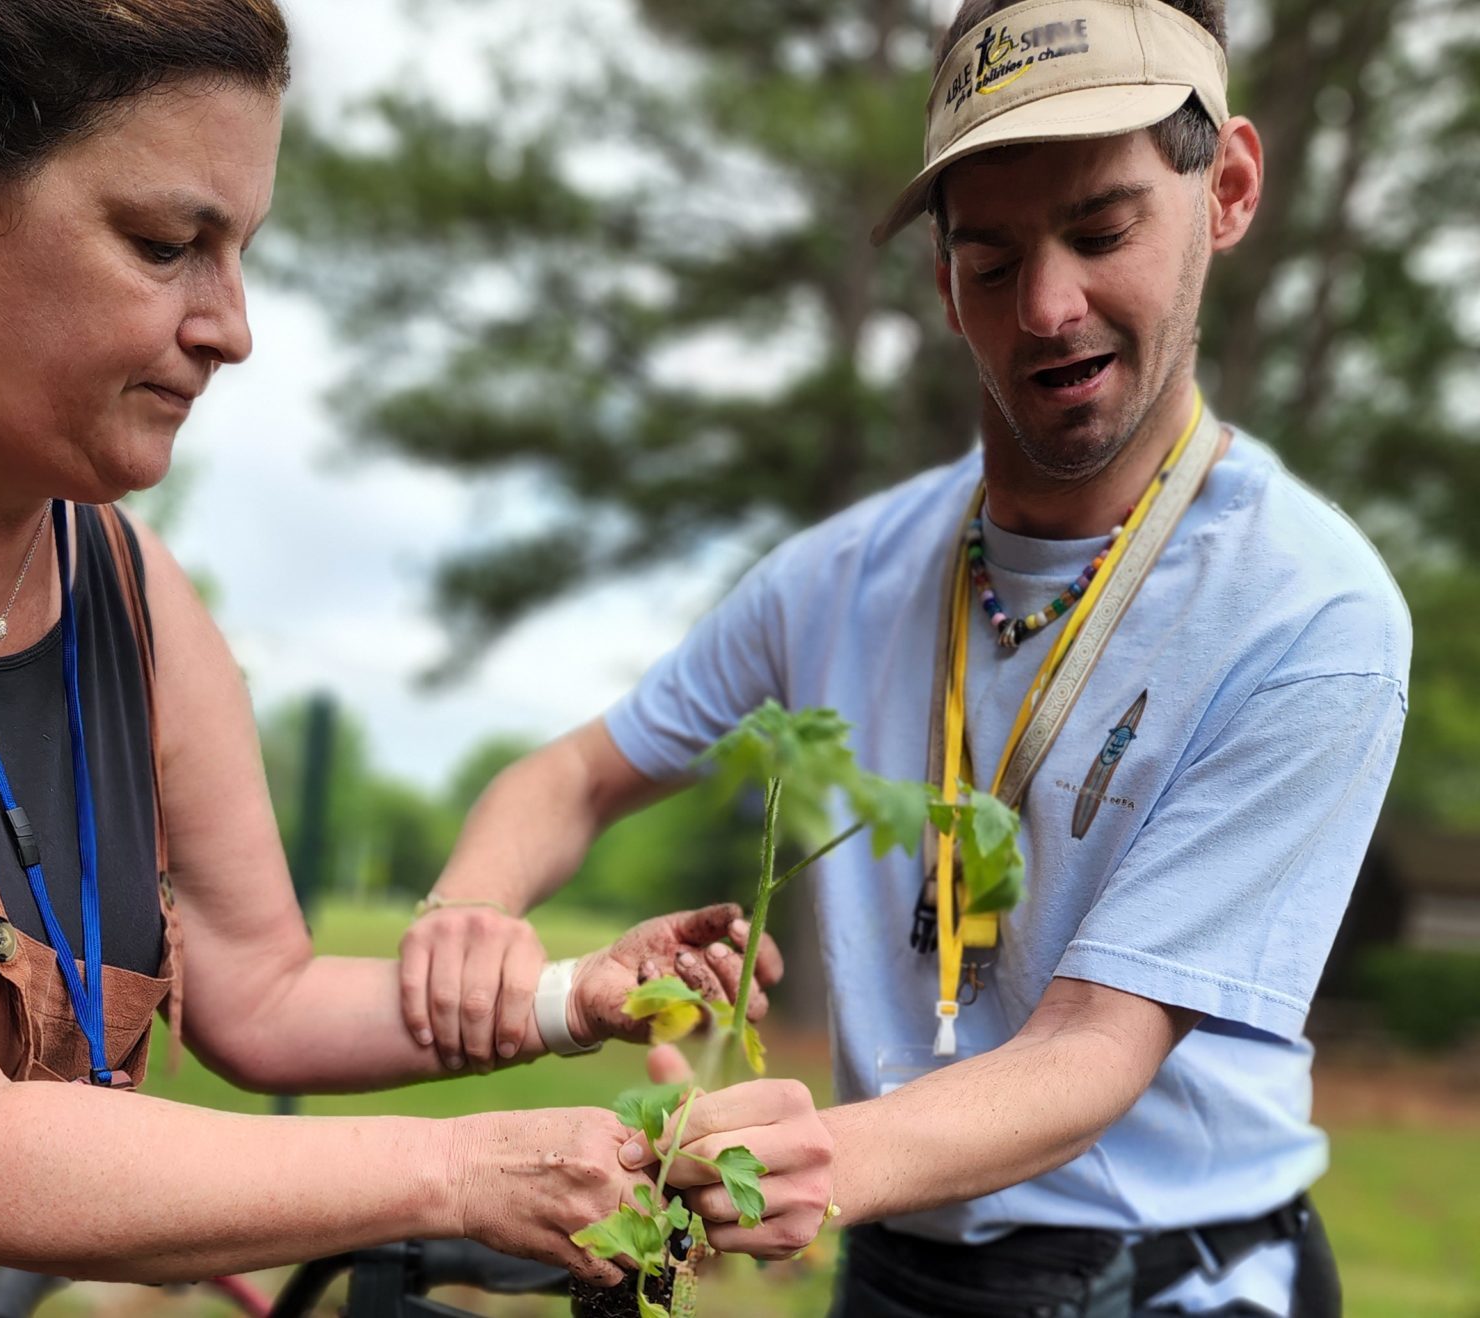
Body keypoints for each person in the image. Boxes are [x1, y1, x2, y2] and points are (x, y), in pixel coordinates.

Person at [0, 2, 837, 1314]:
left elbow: (261, 992)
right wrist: (461, 1170)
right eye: (167, 245)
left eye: (241, 252)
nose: (232, 327)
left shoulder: (121, 583)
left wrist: (575, 997)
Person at [399, 1, 1409, 1313]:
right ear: (942, 285)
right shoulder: (840, 576)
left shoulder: (1310, 616)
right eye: (990, 260)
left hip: (1170, 1282)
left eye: (1102, 231)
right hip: (894, 1269)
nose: (1048, 307)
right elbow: (578, 776)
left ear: (1225, 190)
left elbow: (1094, 1049)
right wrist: (470, 914)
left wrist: (814, 1153)